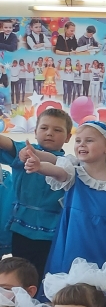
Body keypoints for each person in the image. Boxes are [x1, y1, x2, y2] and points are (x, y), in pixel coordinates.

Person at [24, 121, 106, 307]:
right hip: (75, 244)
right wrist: (39, 167)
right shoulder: (74, 174)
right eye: (78, 140)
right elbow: (57, 172)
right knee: (73, 290)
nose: (81, 144)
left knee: (105, 289)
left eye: (89, 140)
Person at [0, 109, 71, 277]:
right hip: (21, 227)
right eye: (44, 128)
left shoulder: (70, 164)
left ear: (68, 137)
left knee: (46, 275)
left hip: (53, 232)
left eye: (57, 130)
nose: (49, 133)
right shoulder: (25, 153)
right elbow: (7, 143)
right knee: (20, 275)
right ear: (35, 131)